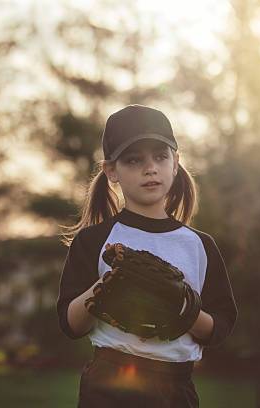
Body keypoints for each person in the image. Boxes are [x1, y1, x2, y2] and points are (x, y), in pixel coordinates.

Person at [56, 104, 238, 407]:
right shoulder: (95, 241)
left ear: (176, 162)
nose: (150, 167)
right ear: (111, 171)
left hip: (175, 388)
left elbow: (218, 329)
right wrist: (107, 286)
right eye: (133, 159)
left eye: (160, 156)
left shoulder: (199, 245)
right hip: (108, 385)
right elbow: (71, 324)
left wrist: (179, 307)